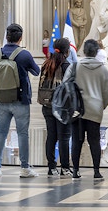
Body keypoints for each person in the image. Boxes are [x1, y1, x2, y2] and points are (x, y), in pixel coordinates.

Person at [0, 23, 40, 178]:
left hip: (2, 99)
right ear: (20, 37)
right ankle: (25, 168)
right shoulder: (24, 55)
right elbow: (37, 71)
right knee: (22, 134)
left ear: (6, 37)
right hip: (21, 100)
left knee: (1, 132)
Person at [66, 39, 108, 181]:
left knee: (76, 140)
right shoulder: (103, 69)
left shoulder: (75, 67)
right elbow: (107, 92)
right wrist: (101, 106)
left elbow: (65, 85)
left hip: (77, 110)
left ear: (84, 51)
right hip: (95, 109)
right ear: (96, 52)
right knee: (94, 140)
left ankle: (75, 171)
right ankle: (96, 171)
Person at [39, 38, 72, 178]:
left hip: (47, 104)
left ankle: (51, 167)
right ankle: (65, 168)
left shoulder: (46, 63)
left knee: (51, 136)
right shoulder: (66, 65)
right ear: (67, 51)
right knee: (64, 138)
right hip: (62, 107)